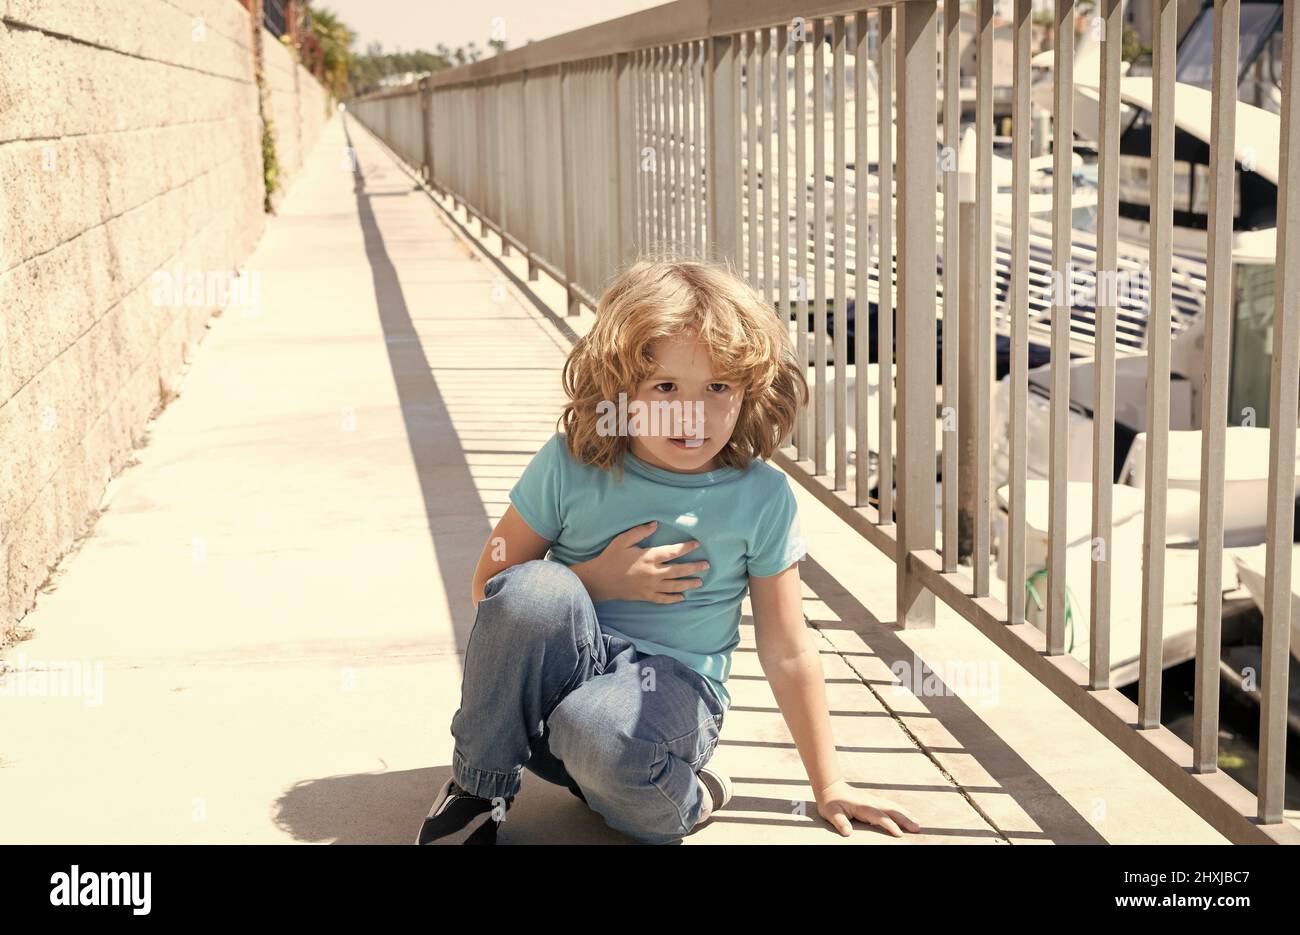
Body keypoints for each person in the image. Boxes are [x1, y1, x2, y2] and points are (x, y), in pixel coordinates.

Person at [416, 256, 920, 844]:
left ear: (747, 391)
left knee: (598, 727)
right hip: (557, 694)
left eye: (717, 388)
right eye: (665, 387)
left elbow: (786, 647)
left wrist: (830, 783)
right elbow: (492, 590)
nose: (693, 412)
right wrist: (596, 580)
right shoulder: (570, 464)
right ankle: (478, 790)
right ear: (620, 390)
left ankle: (688, 792)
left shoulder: (760, 497)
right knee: (535, 588)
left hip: (669, 696)